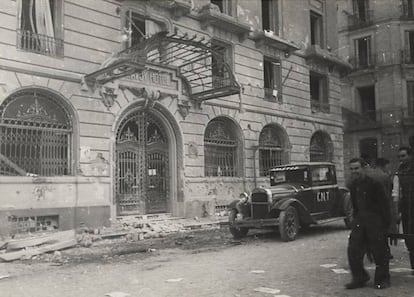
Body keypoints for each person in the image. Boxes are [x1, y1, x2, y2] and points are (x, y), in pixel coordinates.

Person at [345, 158, 391, 290]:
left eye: (357, 168)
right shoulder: (354, 185)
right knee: (353, 250)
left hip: (375, 222)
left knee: (380, 252)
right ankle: (360, 278)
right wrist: (356, 220)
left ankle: (382, 279)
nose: (354, 172)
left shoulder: (374, 183)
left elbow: (385, 205)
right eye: (352, 169)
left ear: (363, 168)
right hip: (360, 222)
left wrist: (385, 224)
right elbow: (355, 205)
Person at [395, 146, 414, 272]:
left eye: (404, 156)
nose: (401, 159)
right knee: (409, 235)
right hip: (407, 207)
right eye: (400, 156)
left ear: (410, 155)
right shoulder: (400, 169)